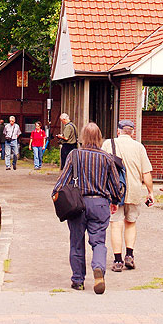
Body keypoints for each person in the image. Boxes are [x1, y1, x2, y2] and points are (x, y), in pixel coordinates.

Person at [51, 122, 123, 294]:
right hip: (99, 204)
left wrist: (56, 196)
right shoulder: (106, 157)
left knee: (76, 243)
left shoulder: (74, 155)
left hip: (78, 205)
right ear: (99, 138)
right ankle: (98, 269)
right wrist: (115, 200)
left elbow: (62, 181)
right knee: (98, 241)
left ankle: (78, 280)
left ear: (83, 137)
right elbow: (114, 184)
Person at [102, 119, 154, 272]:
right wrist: (150, 192)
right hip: (135, 192)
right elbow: (146, 173)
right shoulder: (139, 147)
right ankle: (129, 255)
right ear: (132, 132)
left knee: (116, 225)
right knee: (130, 223)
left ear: (118, 131)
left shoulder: (108, 144)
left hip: (115, 193)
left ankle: (118, 261)